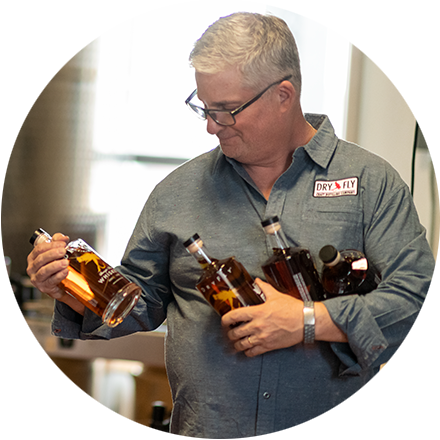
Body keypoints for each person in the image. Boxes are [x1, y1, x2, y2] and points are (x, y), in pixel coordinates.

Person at [27, 12, 440, 439]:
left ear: (284, 94)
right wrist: (72, 289)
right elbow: (141, 303)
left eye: (226, 111)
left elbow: (421, 301)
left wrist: (307, 320)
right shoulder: (177, 192)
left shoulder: (370, 184)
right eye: (203, 108)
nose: (210, 126)